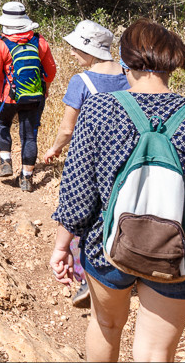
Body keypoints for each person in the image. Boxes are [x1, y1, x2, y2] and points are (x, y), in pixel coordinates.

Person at [50, 19, 185, 363]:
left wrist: (62, 246)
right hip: (180, 253)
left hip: (105, 247)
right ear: (172, 64)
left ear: (123, 62)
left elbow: (77, 199)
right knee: (155, 353)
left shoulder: (99, 110)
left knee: (106, 324)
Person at [40, 19, 129, 309]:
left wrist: (54, 149)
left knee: (83, 214)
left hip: (89, 159)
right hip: (128, 157)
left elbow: (68, 128)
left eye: (75, 47)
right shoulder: (131, 76)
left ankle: (85, 276)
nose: (71, 53)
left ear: (89, 50)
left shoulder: (83, 81)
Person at [0, 1, 57, 192]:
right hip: (34, 96)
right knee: (29, 136)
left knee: (3, 125)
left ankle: (5, 162)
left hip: (6, 97)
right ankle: (27, 178)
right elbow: (51, 71)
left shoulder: (0, 43)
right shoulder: (40, 41)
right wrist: (42, 89)